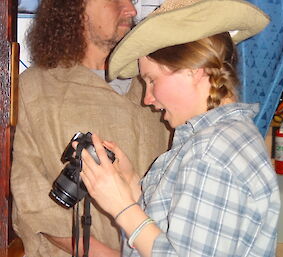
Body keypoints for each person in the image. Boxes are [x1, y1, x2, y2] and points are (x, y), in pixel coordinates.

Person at [77, 0, 281, 256]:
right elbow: (175, 234)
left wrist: (122, 208)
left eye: (151, 81)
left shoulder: (209, 154)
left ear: (192, 70)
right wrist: (131, 186)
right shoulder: (216, 139)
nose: (147, 98)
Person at [10, 0, 171, 256]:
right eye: (115, 1)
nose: (130, 9)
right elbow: (31, 195)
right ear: (75, 8)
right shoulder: (37, 88)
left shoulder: (155, 84)